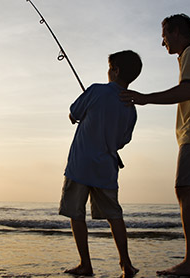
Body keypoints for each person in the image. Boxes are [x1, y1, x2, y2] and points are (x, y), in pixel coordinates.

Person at [120, 14, 190, 276]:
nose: (163, 43)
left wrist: (145, 98)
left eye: (164, 36)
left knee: (185, 189)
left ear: (177, 32)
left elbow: (189, 90)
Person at [59, 50, 142, 277]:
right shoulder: (131, 107)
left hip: (80, 165)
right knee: (114, 215)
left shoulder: (96, 90)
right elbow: (123, 140)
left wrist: (76, 117)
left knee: (77, 214)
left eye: (109, 68)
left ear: (114, 70)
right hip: (106, 168)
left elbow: (73, 112)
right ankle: (126, 263)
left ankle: (85, 264)